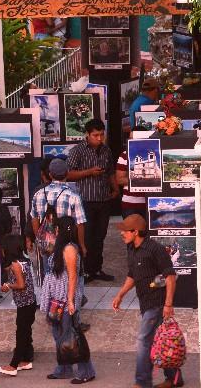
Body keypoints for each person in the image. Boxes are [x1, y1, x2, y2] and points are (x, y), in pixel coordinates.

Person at [112, 214, 183, 388]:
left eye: (125, 231)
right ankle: (174, 378)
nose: (122, 234)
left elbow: (170, 277)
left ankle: (142, 382)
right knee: (159, 340)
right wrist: (120, 294)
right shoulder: (131, 249)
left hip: (156, 303)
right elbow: (132, 275)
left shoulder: (155, 249)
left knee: (144, 340)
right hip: (145, 303)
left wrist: (168, 304)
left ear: (135, 232)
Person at [40, 216, 96, 384]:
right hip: (56, 299)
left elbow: (72, 277)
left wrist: (71, 301)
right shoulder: (60, 247)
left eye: (56, 228)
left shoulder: (70, 249)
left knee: (71, 335)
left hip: (65, 299)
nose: (54, 231)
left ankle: (86, 370)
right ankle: (64, 368)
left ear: (60, 230)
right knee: (58, 333)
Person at [67, 119, 119, 282]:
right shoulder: (78, 151)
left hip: (103, 199)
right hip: (85, 200)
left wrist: (116, 188)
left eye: (101, 135)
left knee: (100, 236)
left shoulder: (106, 150)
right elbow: (69, 174)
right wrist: (89, 172)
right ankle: (86, 270)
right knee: (87, 237)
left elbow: (111, 172)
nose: (99, 138)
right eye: (95, 135)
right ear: (87, 135)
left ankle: (97, 269)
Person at [31, 158, 87, 274]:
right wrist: (82, 245)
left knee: (49, 273)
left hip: (47, 243)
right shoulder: (73, 195)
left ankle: (51, 292)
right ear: (67, 173)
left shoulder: (38, 194)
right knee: (70, 274)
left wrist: (39, 239)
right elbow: (80, 223)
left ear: (50, 174)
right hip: (68, 243)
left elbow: (34, 219)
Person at [0, 234, 37, 377]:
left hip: (25, 304)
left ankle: (13, 365)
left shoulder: (16, 265)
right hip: (29, 302)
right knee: (26, 331)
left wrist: (8, 285)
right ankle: (26, 359)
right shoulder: (23, 261)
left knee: (21, 333)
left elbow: (21, 284)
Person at [116, 126, 149, 219]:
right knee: (130, 233)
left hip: (150, 203)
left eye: (133, 139)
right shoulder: (124, 155)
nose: (130, 142)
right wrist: (141, 180)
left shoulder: (154, 153)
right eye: (129, 139)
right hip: (130, 205)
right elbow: (119, 180)